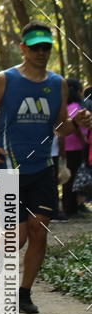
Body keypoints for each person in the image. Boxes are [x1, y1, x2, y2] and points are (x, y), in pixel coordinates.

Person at [0, 21, 92, 314]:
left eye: (46, 47)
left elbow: (58, 126)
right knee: (18, 236)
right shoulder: (4, 80)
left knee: (39, 230)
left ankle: (23, 294)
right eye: (36, 47)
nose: (42, 52)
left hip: (42, 166)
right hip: (7, 167)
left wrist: (77, 122)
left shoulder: (57, 84)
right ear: (23, 48)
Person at [62, 78, 90, 217]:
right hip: (74, 146)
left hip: (68, 146)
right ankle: (70, 208)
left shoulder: (65, 106)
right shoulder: (75, 107)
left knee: (71, 177)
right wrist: (83, 139)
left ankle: (74, 206)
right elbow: (76, 125)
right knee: (72, 178)